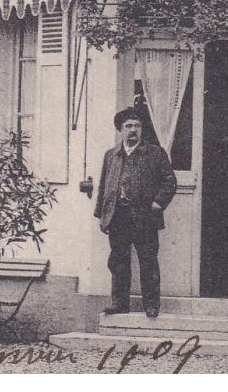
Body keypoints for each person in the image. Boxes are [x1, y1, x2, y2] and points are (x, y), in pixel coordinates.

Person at [94, 107, 177, 318]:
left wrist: (158, 204)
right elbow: (104, 186)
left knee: (148, 261)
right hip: (118, 216)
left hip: (145, 217)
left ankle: (151, 305)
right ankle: (120, 303)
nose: (133, 130)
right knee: (118, 262)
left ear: (142, 129)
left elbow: (170, 182)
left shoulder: (156, 153)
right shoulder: (111, 155)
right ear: (120, 130)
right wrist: (102, 216)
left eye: (137, 126)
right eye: (128, 126)